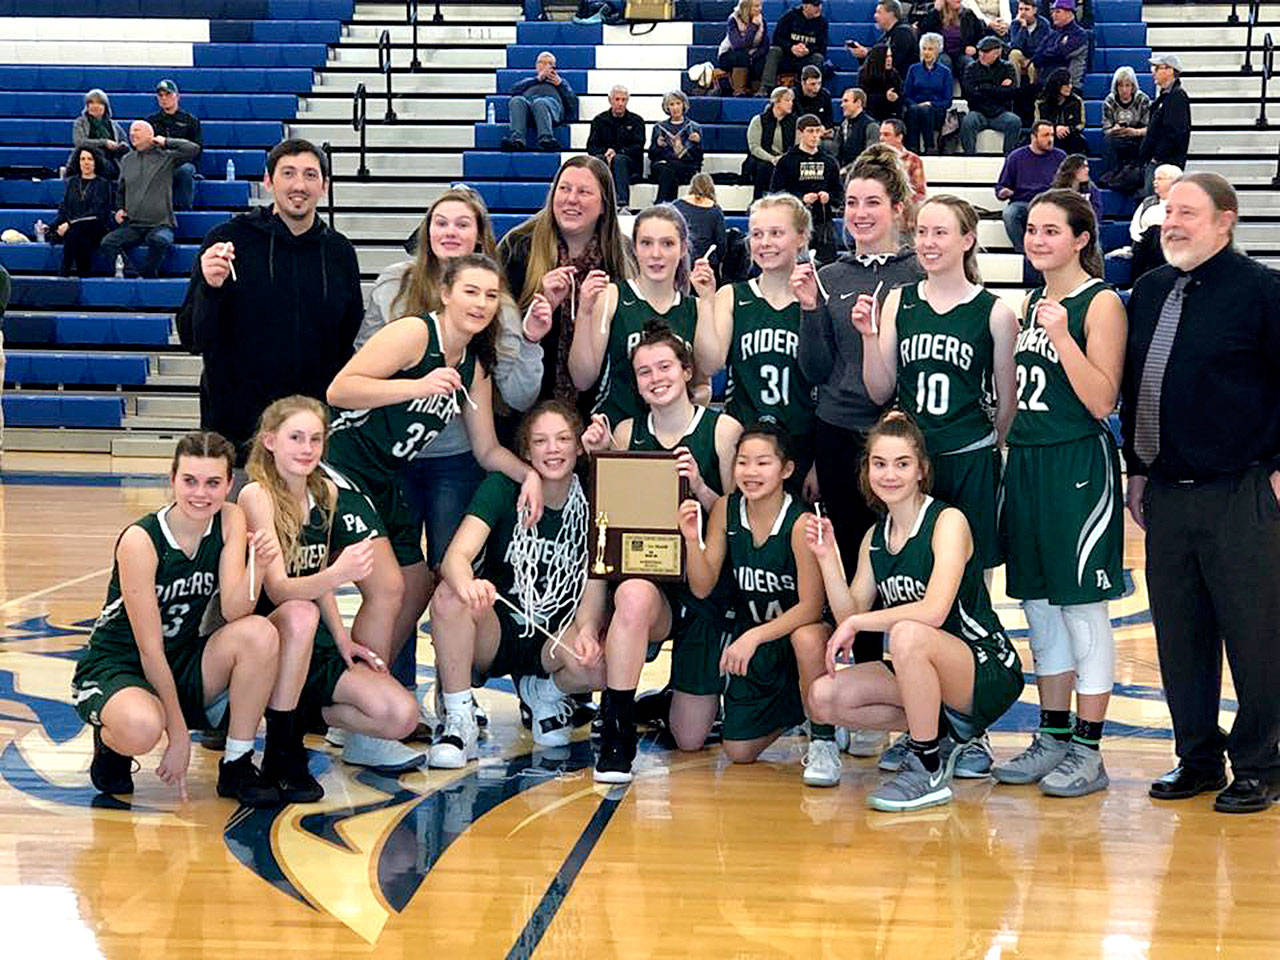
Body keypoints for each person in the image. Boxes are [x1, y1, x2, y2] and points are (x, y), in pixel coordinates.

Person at [324, 255, 546, 748]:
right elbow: (340, 390)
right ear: (446, 292)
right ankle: (361, 710)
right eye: (471, 291)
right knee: (385, 586)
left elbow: (487, 450)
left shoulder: (474, 366)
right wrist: (417, 385)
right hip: (343, 466)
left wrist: (528, 472)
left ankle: (359, 698)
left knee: (420, 579)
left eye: (491, 296)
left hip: (386, 477)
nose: (481, 303)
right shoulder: (414, 334)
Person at [1122, 173, 1280, 814]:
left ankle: (1261, 763)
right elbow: (1137, 386)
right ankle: (1197, 757)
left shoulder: (1263, 292)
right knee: (1179, 637)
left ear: (1226, 220)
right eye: (1167, 212)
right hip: (1166, 490)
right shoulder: (1152, 290)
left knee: (1255, 634)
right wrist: (1136, 468)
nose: (1173, 223)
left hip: (1240, 488)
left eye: (1187, 212)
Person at [806, 411, 1025, 811]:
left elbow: (935, 611)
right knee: (823, 698)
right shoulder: (876, 536)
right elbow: (849, 611)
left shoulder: (948, 522)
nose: (890, 474)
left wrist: (857, 620)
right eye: (880, 464)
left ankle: (927, 766)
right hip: (923, 665)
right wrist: (827, 559)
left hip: (985, 666)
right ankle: (940, 733)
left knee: (907, 631)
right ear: (866, 470)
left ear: (922, 470)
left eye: (902, 464)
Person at [69, 432, 296, 806]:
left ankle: (238, 762)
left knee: (259, 633)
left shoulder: (230, 519)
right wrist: (177, 737)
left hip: (183, 657)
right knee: (143, 728)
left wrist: (258, 565)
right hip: (123, 663)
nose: (201, 494)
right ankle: (111, 743)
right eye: (190, 481)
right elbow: (149, 647)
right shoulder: (141, 540)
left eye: (213, 483)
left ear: (228, 484)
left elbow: (235, 611)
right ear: (172, 478)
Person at [992, 188, 1126, 798]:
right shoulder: (1029, 300)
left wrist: (1063, 336)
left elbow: (1102, 401)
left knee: (1081, 609)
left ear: (1081, 239)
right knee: (1039, 608)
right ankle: (1052, 734)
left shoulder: (1100, 303)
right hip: (1028, 462)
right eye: (1032, 230)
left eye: (1052, 230)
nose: (1038, 240)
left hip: (1078, 464)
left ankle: (1090, 750)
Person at [795, 146, 925, 758]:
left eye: (873, 201)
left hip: (900, 443)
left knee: (902, 569)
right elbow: (816, 368)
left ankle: (902, 703)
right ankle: (852, 699)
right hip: (837, 432)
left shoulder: (918, 274)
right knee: (848, 568)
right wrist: (810, 309)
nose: (860, 213)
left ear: (898, 208)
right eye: (852, 203)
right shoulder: (831, 276)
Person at [580, 325, 742, 783]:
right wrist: (599, 459)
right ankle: (617, 726)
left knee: (689, 738)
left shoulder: (721, 429)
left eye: (665, 367)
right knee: (631, 592)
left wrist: (704, 490)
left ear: (687, 370)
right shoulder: (629, 433)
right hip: (654, 590)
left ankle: (666, 697)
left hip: (705, 588)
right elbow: (609, 525)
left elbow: (740, 518)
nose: (656, 378)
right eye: (644, 371)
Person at [239, 396, 422, 777]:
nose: (307, 449)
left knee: (402, 715)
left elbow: (319, 580)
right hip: (267, 639)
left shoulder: (326, 493)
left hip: (314, 640)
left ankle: (299, 712)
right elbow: (279, 589)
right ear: (270, 441)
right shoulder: (256, 495)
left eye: (315, 440)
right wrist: (339, 573)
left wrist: (343, 642)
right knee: (300, 612)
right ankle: (266, 724)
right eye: (296, 438)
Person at [430, 401, 606, 764]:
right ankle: (459, 719)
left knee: (607, 658)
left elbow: (594, 578)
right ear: (526, 451)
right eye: (540, 441)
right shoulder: (502, 487)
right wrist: (470, 587)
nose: (553, 449)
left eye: (562, 439)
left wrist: (587, 630)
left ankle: (545, 691)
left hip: (555, 637)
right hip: (499, 628)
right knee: (450, 596)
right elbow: (455, 558)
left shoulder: (595, 497)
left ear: (578, 446)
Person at [856, 194, 1018, 574]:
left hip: (969, 458)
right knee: (913, 571)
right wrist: (867, 336)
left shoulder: (995, 312)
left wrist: (983, 444)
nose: (927, 243)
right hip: (913, 460)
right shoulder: (900, 301)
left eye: (940, 233)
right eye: (922, 232)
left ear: (967, 239)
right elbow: (880, 391)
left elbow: (1008, 403)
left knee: (972, 575)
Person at [176, 139, 364, 464]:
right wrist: (210, 288)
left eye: (309, 175)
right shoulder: (226, 241)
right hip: (237, 435)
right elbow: (194, 338)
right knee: (239, 516)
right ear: (268, 181)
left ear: (325, 185)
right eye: (288, 173)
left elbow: (345, 338)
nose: (299, 185)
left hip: (310, 438)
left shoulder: (340, 253)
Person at [678, 422, 837, 784]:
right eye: (743, 462)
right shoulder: (724, 509)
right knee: (738, 751)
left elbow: (811, 607)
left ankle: (824, 739)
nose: (751, 472)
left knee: (807, 637)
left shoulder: (799, 523)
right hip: (759, 639)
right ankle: (799, 708)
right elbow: (703, 588)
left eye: (763, 463)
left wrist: (753, 637)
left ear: (786, 470)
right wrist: (691, 540)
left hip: (793, 635)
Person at [696, 193, 818, 496]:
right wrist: (706, 300)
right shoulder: (733, 296)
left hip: (800, 440)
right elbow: (711, 364)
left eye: (776, 233)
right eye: (757, 234)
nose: (765, 243)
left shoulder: (816, 298)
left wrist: (819, 459)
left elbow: (826, 384)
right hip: (745, 440)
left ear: (800, 238)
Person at [496, 155, 634, 423]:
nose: (572, 199)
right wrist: (536, 308)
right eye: (565, 189)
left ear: (604, 204)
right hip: (525, 411)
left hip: (602, 411)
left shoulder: (624, 256)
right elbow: (498, 333)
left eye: (584, 192)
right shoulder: (517, 247)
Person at [570, 205, 703, 429]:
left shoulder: (695, 309)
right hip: (615, 431)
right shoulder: (612, 296)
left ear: (682, 249)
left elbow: (702, 385)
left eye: (667, 243)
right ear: (635, 248)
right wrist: (584, 312)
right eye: (646, 243)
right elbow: (582, 379)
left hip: (672, 437)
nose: (656, 254)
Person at [98, 121, 197, 279]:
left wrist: (165, 141)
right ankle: (132, 276)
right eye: (130, 132)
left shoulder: (166, 157)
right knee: (108, 243)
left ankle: (149, 275)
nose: (132, 134)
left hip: (160, 224)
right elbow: (121, 190)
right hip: (134, 225)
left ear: (150, 134)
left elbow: (192, 149)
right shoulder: (127, 160)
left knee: (158, 241)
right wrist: (119, 208)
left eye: (136, 130)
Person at [770, 115, 843, 261]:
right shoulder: (787, 161)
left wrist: (828, 197)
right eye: (810, 131)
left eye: (817, 131)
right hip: (794, 223)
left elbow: (839, 193)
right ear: (800, 132)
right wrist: (800, 198)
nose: (815, 135)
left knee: (827, 264)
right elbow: (776, 194)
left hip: (823, 223)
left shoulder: (829, 161)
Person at [995, 121, 1066, 252]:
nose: (1050, 139)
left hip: (1050, 203)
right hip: (1023, 202)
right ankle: (1025, 252)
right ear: (1033, 137)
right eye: (1045, 135)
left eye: (1052, 135)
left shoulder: (1060, 157)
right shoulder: (1016, 157)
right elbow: (1001, 186)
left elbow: (1068, 186)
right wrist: (1003, 192)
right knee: (1010, 213)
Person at [1108, 163, 1179, 281]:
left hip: (1169, 246)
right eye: (1155, 178)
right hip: (1144, 244)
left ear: (1174, 182)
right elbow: (1135, 226)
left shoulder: (1180, 204)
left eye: (1160, 179)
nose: (1155, 182)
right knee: (1150, 234)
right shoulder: (1147, 202)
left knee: (1156, 231)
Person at [53, 147, 114, 277]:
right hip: (75, 230)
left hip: (95, 227)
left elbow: (98, 213)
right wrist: (52, 226)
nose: (86, 162)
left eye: (90, 159)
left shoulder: (103, 184)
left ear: (96, 162)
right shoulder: (72, 182)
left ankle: (64, 271)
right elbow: (65, 208)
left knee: (75, 233)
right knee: (77, 236)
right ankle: (82, 275)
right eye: (82, 159)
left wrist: (70, 224)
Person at [502, 51, 579, 152]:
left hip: (551, 109)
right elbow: (513, 91)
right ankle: (517, 141)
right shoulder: (529, 81)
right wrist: (537, 79)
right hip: (529, 109)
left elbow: (572, 104)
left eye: (549, 63)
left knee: (540, 102)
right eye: (541, 63)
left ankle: (546, 139)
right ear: (536, 66)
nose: (545, 66)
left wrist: (560, 84)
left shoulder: (561, 83)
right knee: (517, 100)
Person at [1138, 54, 1191, 197]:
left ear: (1169, 71)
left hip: (1165, 163)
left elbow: (1174, 131)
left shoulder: (1177, 96)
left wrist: (1158, 156)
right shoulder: (1165, 96)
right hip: (1158, 161)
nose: (1153, 72)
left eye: (1157, 68)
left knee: (1157, 202)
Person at [960, 36, 1022, 156]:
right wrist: (997, 89)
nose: (982, 55)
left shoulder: (1007, 68)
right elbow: (970, 94)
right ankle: (970, 156)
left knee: (1014, 121)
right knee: (968, 121)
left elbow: (1010, 93)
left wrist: (983, 87)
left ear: (997, 53)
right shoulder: (971, 68)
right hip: (978, 111)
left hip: (1000, 112)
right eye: (981, 51)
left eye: (986, 52)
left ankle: (1009, 157)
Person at [586, 86, 646, 212]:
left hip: (630, 165)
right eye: (617, 99)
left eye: (623, 100)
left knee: (619, 160)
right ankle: (597, 202)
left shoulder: (637, 121)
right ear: (610, 100)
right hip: (605, 160)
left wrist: (617, 152)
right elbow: (591, 146)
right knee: (599, 160)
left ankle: (622, 204)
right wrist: (606, 153)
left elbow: (638, 146)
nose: (620, 103)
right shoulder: (599, 120)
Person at [147, 79, 202, 212]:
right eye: (161, 96)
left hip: (181, 163)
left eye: (168, 95)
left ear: (177, 96)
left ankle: (186, 211)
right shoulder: (151, 121)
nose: (164, 99)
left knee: (186, 170)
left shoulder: (190, 121)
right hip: (159, 163)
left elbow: (197, 148)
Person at [902, 33, 954, 155]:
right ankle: (915, 148)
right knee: (915, 110)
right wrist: (915, 105)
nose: (926, 52)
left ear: (937, 51)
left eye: (930, 49)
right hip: (915, 108)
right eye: (924, 49)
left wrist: (931, 103)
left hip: (936, 110)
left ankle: (928, 146)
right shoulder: (913, 69)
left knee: (926, 110)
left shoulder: (945, 72)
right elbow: (907, 95)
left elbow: (947, 101)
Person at [649, 91, 704, 204]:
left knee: (670, 171)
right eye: (671, 104)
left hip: (685, 166)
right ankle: (669, 205)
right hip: (663, 166)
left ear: (684, 105)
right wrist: (658, 146)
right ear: (667, 107)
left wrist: (697, 143)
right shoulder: (659, 127)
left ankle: (661, 203)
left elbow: (698, 157)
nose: (675, 108)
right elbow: (652, 155)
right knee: (667, 169)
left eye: (678, 103)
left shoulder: (694, 127)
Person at [761, 0, 828, 90]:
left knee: (818, 57)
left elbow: (822, 47)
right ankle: (766, 87)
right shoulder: (789, 17)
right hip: (787, 56)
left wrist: (808, 50)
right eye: (815, 5)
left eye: (820, 5)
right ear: (805, 6)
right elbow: (778, 39)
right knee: (774, 51)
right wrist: (791, 48)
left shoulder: (822, 23)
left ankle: (811, 89)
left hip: (806, 57)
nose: (819, 8)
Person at [744, 87, 797, 199]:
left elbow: (796, 146)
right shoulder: (758, 120)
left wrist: (783, 158)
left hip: (785, 159)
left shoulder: (795, 122)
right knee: (764, 167)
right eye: (787, 100)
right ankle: (758, 200)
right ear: (776, 102)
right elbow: (754, 147)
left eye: (792, 101)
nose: (791, 104)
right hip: (762, 159)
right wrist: (772, 159)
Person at [1100, 65, 1150, 179]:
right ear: (1116, 87)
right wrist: (1115, 130)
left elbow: (1149, 128)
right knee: (1108, 141)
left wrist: (1134, 132)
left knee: (1146, 141)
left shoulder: (1143, 99)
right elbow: (1106, 129)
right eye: (1120, 85)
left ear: (1133, 86)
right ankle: (1109, 176)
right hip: (1118, 137)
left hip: (1137, 136)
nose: (1124, 89)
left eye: (1127, 85)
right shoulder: (1109, 101)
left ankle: (1141, 174)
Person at [672, 173, 727, 271]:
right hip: (706, 261)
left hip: (681, 260)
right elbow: (721, 242)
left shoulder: (676, 205)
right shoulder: (715, 210)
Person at [69, 89, 128, 180]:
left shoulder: (114, 125)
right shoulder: (80, 122)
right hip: (89, 161)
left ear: (105, 107)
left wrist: (120, 146)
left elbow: (125, 142)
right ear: (87, 106)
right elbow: (79, 142)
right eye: (91, 103)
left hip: (110, 160)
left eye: (99, 103)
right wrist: (104, 143)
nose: (95, 106)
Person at [850, 0, 919, 74]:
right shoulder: (885, 36)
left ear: (891, 14)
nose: (875, 16)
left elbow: (893, 60)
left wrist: (867, 54)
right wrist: (863, 56)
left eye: (879, 12)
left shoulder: (903, 33)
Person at [919, 0, 984, 77]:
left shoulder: (968, 14)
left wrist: (975, 48)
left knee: (970, 64)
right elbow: (924, 32)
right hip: (942, 53)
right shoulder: (935, 14)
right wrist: (935, 11)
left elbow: (981, 35)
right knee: (944, 62)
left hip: (962, 53)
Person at [717, 0, 770, 96]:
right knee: (741, 55)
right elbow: (738, 45)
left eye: (760, 6)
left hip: (751, 54)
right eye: (756, 6)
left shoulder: (762, 21)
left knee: (760, 59)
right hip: (729, 54)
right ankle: (739, 91)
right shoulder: (733, 20)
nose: (760, 9)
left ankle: (757, 91)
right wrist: (753, 26)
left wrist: (753, 56)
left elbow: (765, 45)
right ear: (746, 7)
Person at [1034, 0, 1089, 90]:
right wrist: (1053, 51)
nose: (1053, 15)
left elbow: (1061, 54)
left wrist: (1047, 53)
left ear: (1069, 13)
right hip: (1047, 83)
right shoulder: (1052, 34)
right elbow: (1037, 57)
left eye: (1058, 12)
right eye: (1053, 12)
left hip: (1068, 86)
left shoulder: (1079, 35)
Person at [1034, 68, 1087, 156]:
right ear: (1057, 85)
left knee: (1077, 141)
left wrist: (1067, 129)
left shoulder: (1076, 101)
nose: (1069, 86)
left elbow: (1080, 124)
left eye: (1070, 83)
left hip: (1070, 136)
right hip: (1048, 135)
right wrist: (1055, 129)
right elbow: (1038, 124)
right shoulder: (1041, 103)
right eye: (1066, 84)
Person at [879, 119, 927, 211]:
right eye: (881, 134)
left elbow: (920, 193)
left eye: (886, 135)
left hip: (904, 211)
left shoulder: (914, 160)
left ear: (899, 137)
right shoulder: (874, 159)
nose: (881, 138)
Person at [832, 88, 880, 167]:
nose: (842, 105)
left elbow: (871, 157)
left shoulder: (871, 126)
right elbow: (836, 152)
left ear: (858, 103)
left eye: (846, 101)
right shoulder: (843, 125)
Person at [1008, 0, 1050, 86]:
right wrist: (1023, 27)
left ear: (1034, 10)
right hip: (1023, 57)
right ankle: (1015, 88)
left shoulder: (1043, 24)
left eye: (1027, 9)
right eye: (1020, 9)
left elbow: (1041, 47)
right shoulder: (1015, 24)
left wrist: (1031, 60)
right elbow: (1015, 45)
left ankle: (1033, 93)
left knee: (1032, 67)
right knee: (1014, 53)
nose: (1023, 12)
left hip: (1037, 59)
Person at [859, 44, 904, 123]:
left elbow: (901, 96)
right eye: (886, 57)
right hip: (872, 113)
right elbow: (865, 99)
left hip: (891, 114)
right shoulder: (865, 74)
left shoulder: (894, 74)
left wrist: (896, 98)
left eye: (890, 56)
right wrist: (885, 97)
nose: (889, 59)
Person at [1050, 153, 1101, 222]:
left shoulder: (1092, 190)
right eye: (1083, 167)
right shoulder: (1057, 191)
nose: (1087, 170)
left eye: (1087, 167)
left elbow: (1096, 214)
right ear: (1073, 169)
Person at [796, 65, 835, 132]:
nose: (817, 88)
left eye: (819, 83)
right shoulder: (793, 95)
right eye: (812, 84)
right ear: (803, 83)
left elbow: (829, 121)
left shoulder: (825, 95)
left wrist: (824, 128)